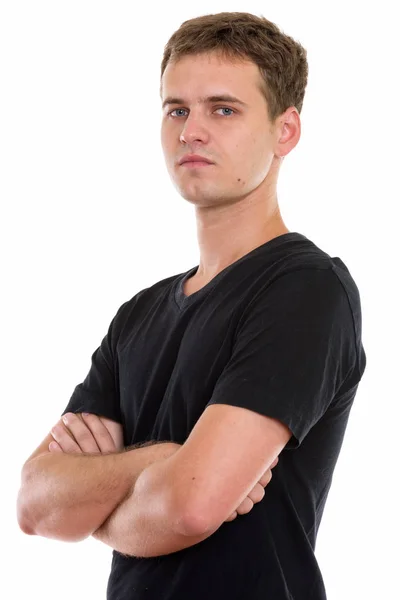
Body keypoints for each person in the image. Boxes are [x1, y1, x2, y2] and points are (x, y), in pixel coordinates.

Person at [17, 11, 367, 600]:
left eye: (223, 109)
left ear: (286, 132)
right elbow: (34, 506)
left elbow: (191, 507)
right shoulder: (137, 315)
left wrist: (99, 502)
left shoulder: (304, 289)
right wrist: (159, 461)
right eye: (176, 109)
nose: (191, 130)